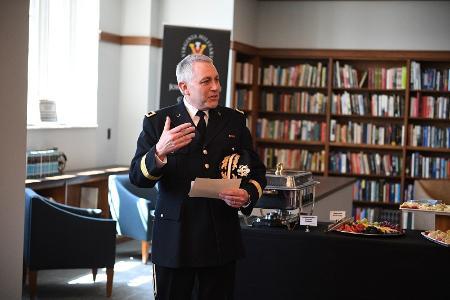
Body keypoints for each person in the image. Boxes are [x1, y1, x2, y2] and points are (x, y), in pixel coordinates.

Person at [129, 54, 266, 299]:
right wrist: (159, 151)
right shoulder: (159, 122)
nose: (216, 87)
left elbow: (256, 172)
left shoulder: (234, 120)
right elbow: (137, 178)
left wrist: (246, 194)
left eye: (217, 79)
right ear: (184, 87)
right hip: (176, 239)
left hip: (220, 237)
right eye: (206, 81)